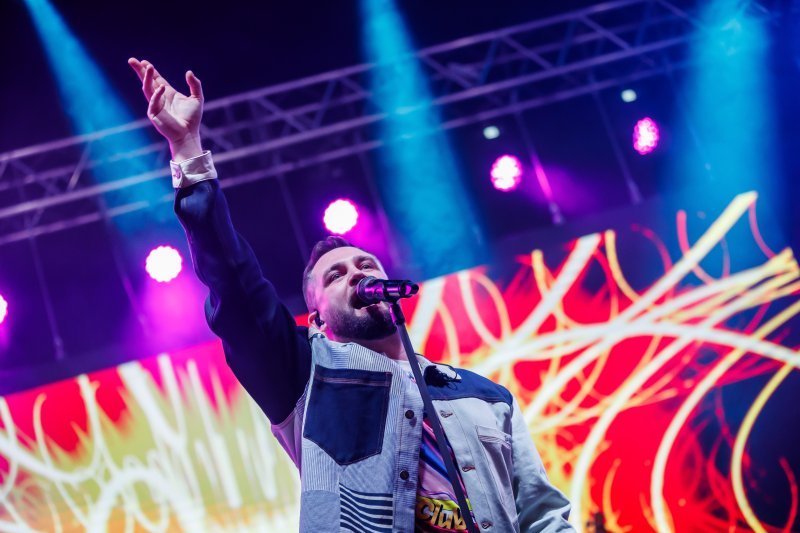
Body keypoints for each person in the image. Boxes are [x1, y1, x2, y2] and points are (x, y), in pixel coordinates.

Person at [128, 57, 573, 533]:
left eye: (366, 265)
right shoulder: (302, 375)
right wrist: (187, 147)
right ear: (317, 318)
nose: (357, 273)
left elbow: (542, 514)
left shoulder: (487, 395)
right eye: (334, 276)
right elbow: (234, 284)